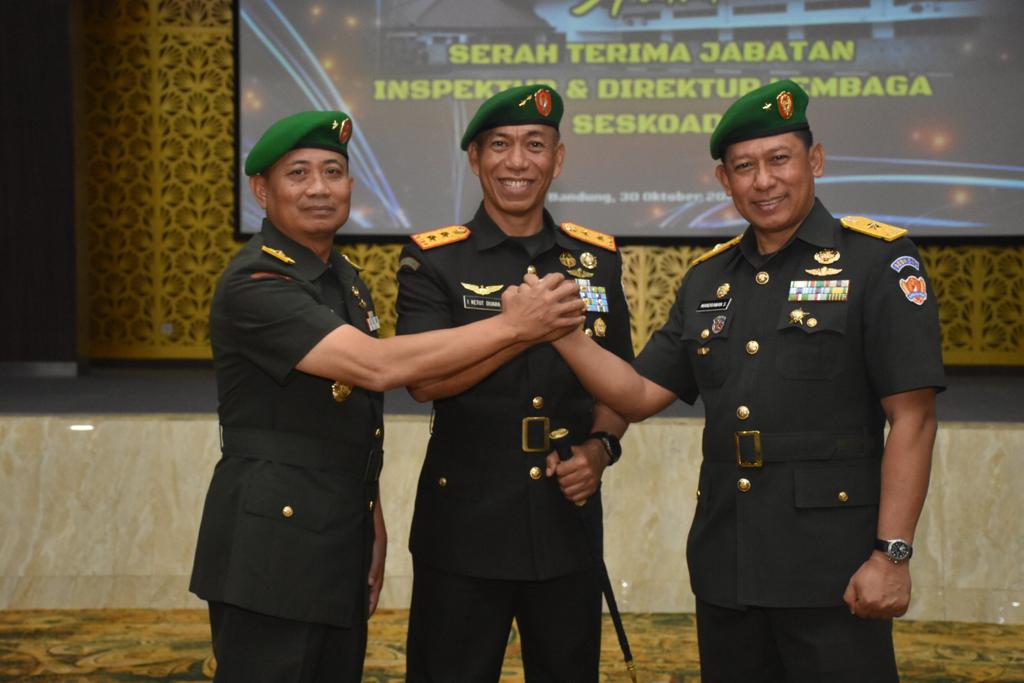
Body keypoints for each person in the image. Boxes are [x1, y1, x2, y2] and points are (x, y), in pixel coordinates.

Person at [548, 80, 945, 682]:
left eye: (779, 159)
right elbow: (637, 395)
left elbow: (913, 419)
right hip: (728, 562)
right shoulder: (708, 279)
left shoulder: (879, 261)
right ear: (723, 180)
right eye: (744, 167)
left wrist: (892, 555)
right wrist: (560, 333)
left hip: (833, 568)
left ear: (815, 160)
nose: (764, 181)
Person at [188, 110, 586, 683]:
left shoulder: (342, 278)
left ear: (351, 185)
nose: (320, 188)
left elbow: (345, 417)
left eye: (333, 172)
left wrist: (370, 514)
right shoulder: (258, 282)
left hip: (337, 531)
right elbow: (374, 368)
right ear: (261, 191)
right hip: (269, 546)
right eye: (298, 173)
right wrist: (514, 327)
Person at [395, 85, 634, 682]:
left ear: (559, 158)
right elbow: (424, 381)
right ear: (475, 159)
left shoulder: (596, 260)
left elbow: (618, 386)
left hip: (565, 520)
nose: (518, 162)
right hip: (465, 524)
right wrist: (520, 332)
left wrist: (601, 449)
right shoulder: (434, 260)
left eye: (535, 144)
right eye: (500, 145)